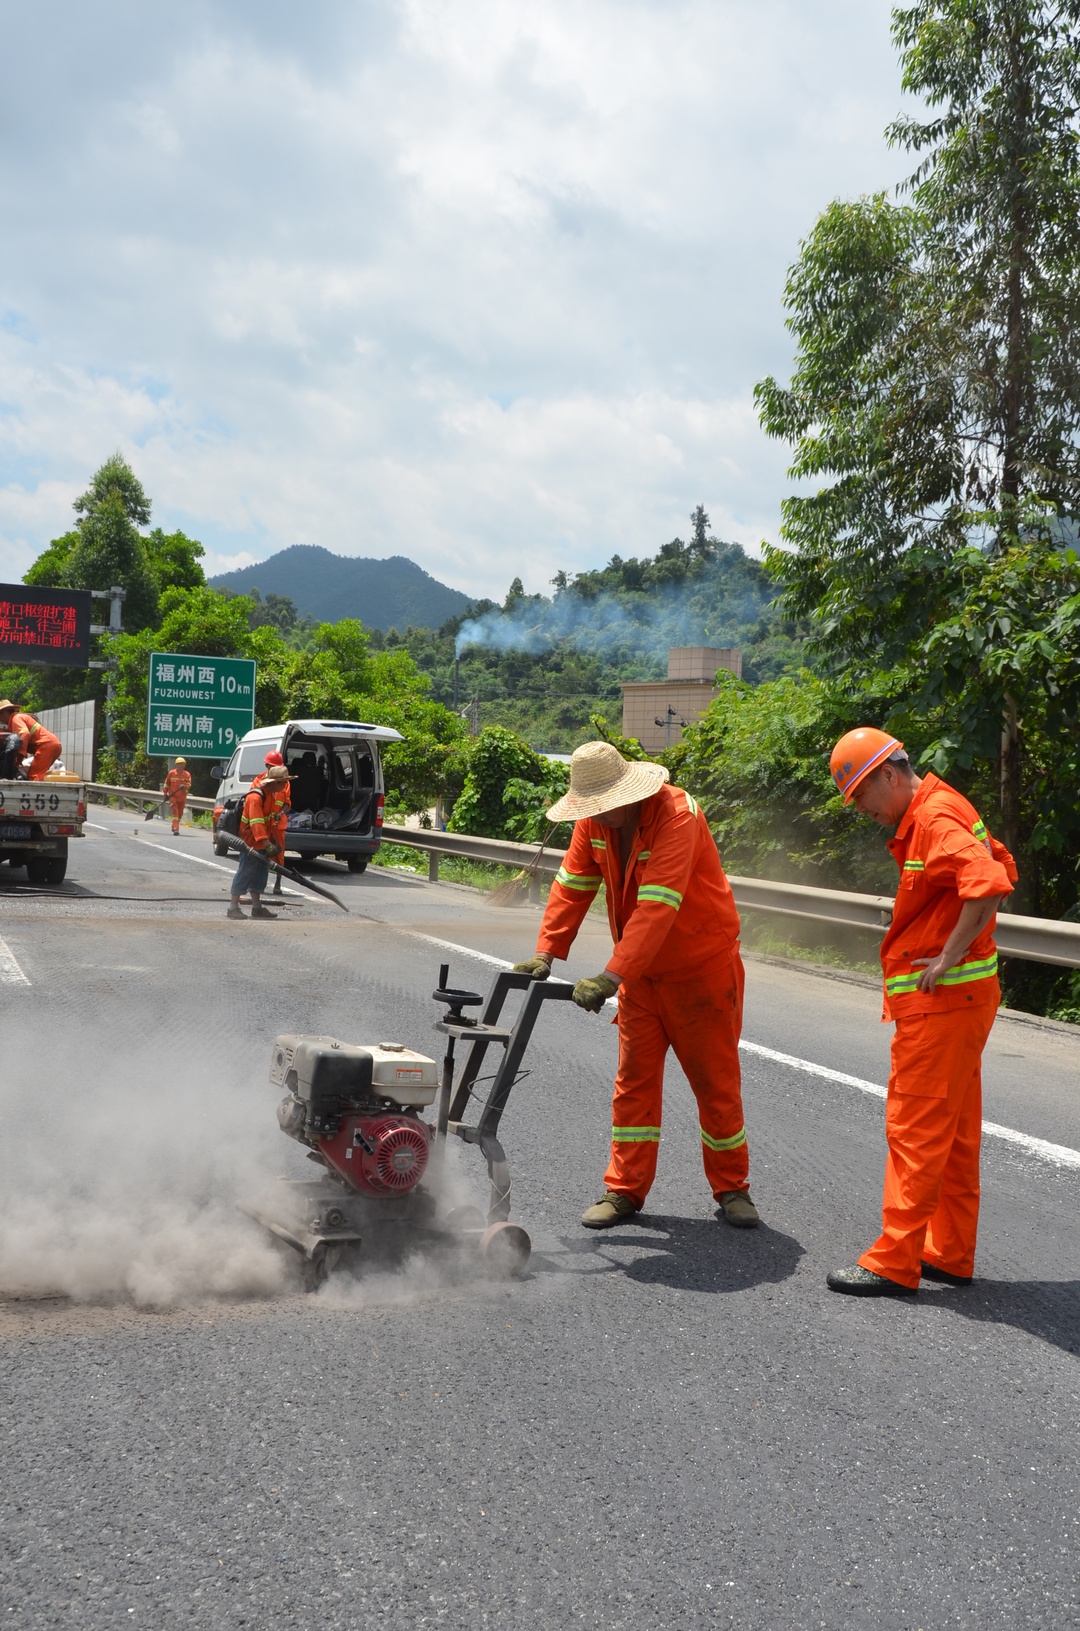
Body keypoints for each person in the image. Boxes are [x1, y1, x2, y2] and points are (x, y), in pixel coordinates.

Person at [513, 739, 758, 1230]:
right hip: (642, 977)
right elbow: (573, 885)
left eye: (605, 807)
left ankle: (733, 1188)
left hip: (701, 973)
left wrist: (610, 975)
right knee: (634, 1086)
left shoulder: (677, 814)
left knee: (715, 1084)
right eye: (592, 810)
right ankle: (624, 1191)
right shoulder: (594, 821)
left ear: (629, 792)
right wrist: (546, 951)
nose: (599, 817)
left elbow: (658, 906)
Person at [825, 728, 1017, 1298]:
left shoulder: (932, 818)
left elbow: (988, 881)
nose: (862, 809)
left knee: (913, 1129)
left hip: (944, 1005)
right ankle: (949, 1252)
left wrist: (948, 954)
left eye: (861, 795)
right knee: (953, 1134)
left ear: (889, 773)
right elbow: (998, 860)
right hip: (964, 1000)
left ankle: (893, 1260)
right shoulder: (941, 807)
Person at [227, 758, 291, 921]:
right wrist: (266, 842)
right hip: (250, 842)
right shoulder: (256, 797)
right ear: (274, 782)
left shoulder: (270, 795)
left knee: (259, 875)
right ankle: (233, 907)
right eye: (282, 782)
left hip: (262, 842)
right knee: (245, 872)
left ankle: (257, 908)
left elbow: (268, 820)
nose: (284, 786)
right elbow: (256, 823)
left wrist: (271, 840)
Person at [0, 700, 61, 780]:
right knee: (39, 774)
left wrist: (20, 754)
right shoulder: (18, 719)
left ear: (4, 713)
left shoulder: (16, 719)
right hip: (52, 745)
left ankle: (37, 792)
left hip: (46, 746)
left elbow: (25, 734)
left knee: (34, 776)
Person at [162, 758, 192, 835]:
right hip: (173, 797)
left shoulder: (187, 774)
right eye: (178, 764)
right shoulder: (171, 773)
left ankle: (174, 825)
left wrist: (185, 786)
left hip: (182, 797)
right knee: (175, 812)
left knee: (180, 814)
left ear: (184, 765)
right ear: (176, 765)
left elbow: (189, 784)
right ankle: (176, 829)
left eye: (182, 764)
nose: (180, 765)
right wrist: (165, 794)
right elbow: (166, 784)